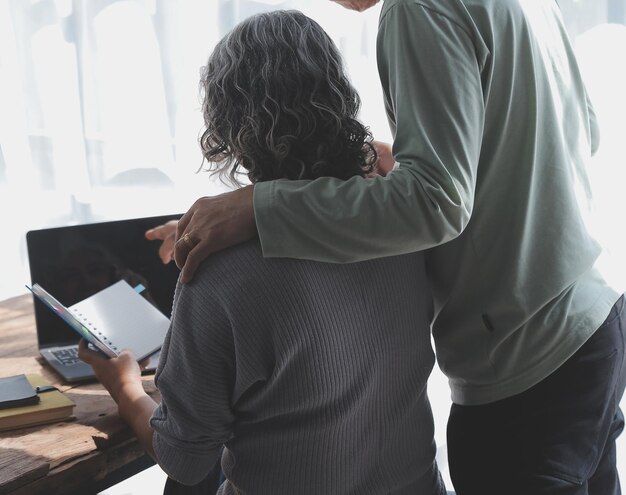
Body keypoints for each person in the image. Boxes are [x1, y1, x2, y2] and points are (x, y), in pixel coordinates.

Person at [155, 1, 626, 494]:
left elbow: (434, 202)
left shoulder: (417, 6)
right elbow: (582, 131)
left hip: (525, 358)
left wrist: (258, 208)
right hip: (591, 320)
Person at [80, 10, 447, 495]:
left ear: (228, 127)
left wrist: (125, 387)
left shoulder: (220, 276)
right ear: (338, 95)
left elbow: (185, 461)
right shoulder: (404, 225)